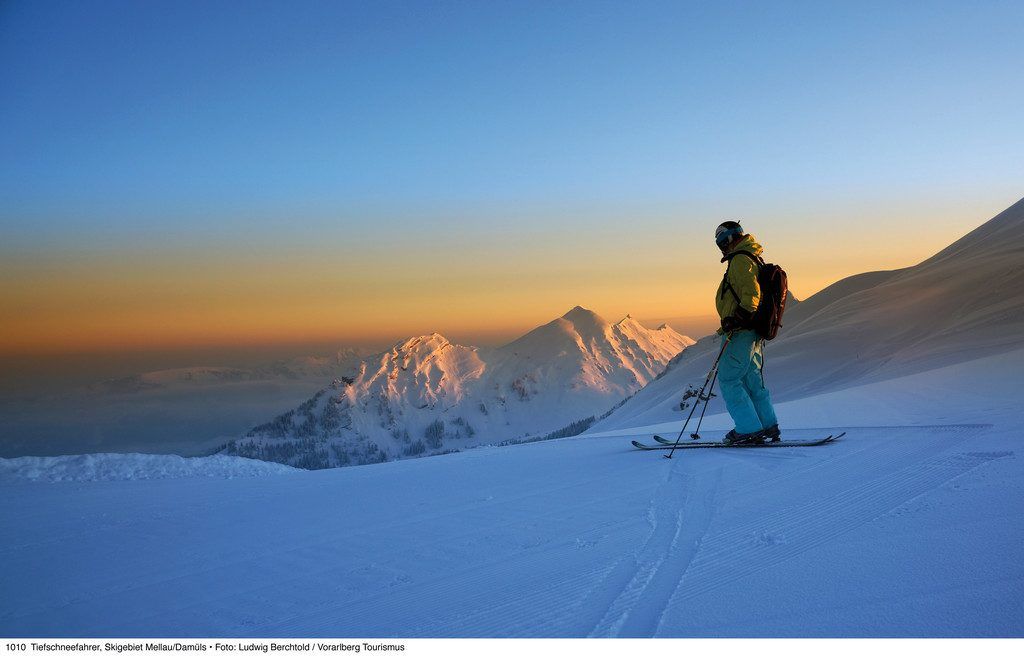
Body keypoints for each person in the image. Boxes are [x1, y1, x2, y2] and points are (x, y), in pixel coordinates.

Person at [714, 221, 780, 444]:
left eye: (723, 242)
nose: (722, 247)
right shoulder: (752, 256)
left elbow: (751, 294)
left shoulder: (741, 259)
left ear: (732, 238)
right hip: (752, 332)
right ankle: (767, 425)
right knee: (751, 379)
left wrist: (737, 318)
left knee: (729, 379)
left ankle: (748, 428)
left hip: (741, 331)